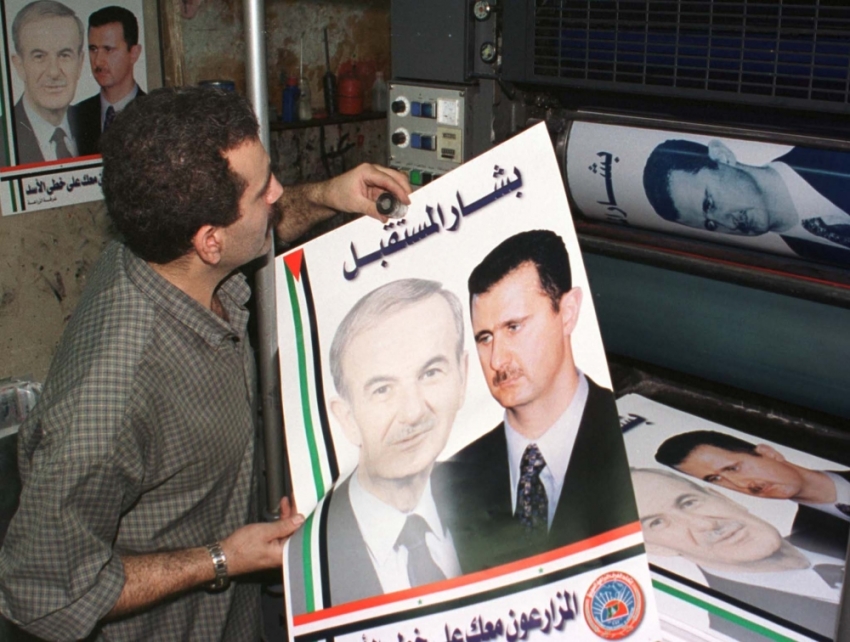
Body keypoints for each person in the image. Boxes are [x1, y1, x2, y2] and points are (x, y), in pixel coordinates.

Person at [0, 86, 410, 640]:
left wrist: (330, 195)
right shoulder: (106, 402)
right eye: (264, 187)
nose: (279, 191)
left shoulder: (157, 248)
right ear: (209, 241)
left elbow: (253, 230)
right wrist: (221, 560)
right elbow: (40, 594)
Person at [444, 230, 638, 573]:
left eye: (514, 327)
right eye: (485, 338)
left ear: (567, 312)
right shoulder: (448, 481)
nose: (497, 360)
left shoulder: (630, 438)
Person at [287, 279, 468, 613]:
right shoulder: (308, 549)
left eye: (430, 372)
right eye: (383, 390)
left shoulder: (502, 491)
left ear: (463, 375)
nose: (413, 412)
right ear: (346, 418)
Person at [631, 467, 843, 641]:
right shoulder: (731, 631)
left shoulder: (834, 516)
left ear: (723, 497)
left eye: (689, 502)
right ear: (655, 549)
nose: (706, 524)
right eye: (657, 523)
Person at [642, 138, 850, 264]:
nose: (727, 223)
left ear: (722, 157)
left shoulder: (832, 155)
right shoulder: (807, 252)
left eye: (709, 203)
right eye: (710, 224)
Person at [655, 430, 850, 558]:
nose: (742, 485)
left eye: (733, 468)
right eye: (715, 479)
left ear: (768, 453)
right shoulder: (812, 541)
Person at [10, 0, 85, 164]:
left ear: (80, 63)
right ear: (19, 65)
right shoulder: (4, 138)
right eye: (39, 57)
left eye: (64, 55)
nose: (53, 72)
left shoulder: (95, 125)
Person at [75, 6, 145, 156]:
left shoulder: (154, 116)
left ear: (134, 53)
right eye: (93, 49)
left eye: (108, 49)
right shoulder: (75, 117)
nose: (98, 61)